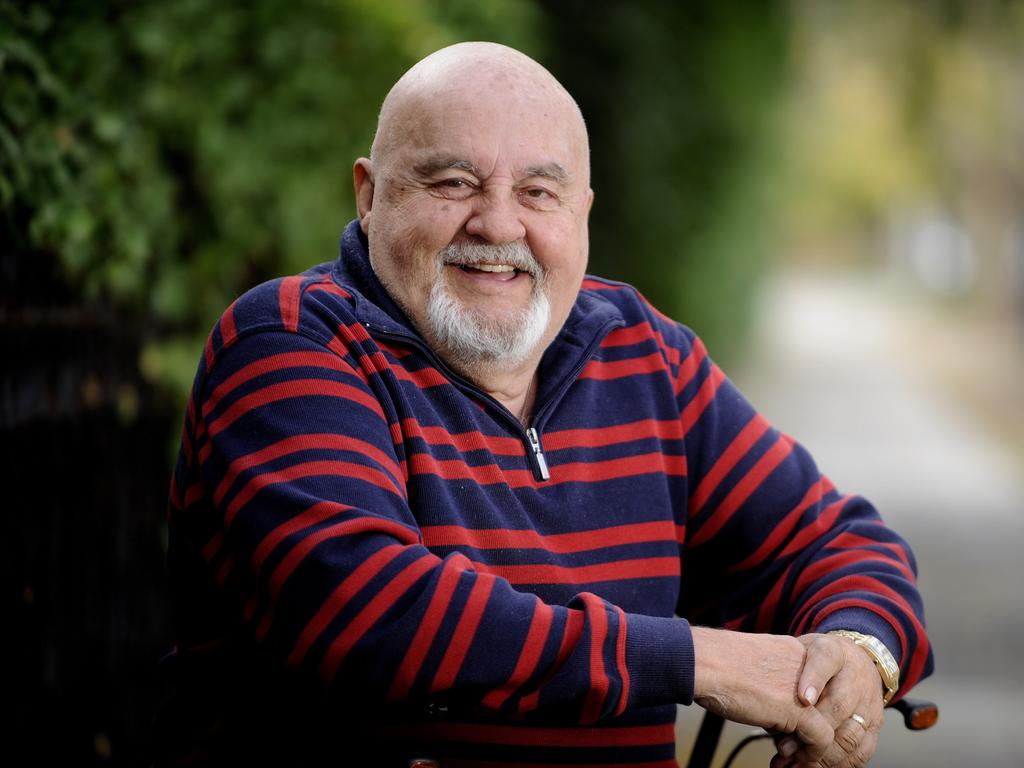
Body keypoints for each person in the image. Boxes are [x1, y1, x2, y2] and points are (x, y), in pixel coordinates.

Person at [157, 42, 933, 768]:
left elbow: (832, 539)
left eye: (538, 191)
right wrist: (702, 661)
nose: (498, 224)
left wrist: (857, 655)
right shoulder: (291, 342)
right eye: (454, 182)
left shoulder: (643, 352)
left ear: (582, 213)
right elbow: (368, 610)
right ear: (369, 193)